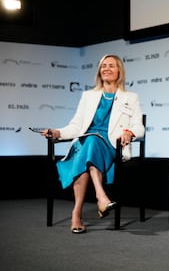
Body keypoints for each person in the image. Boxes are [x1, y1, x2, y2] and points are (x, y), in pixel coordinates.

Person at [41, 54, 145, 234]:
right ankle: (101, 197)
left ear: (119, 71)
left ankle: (77, 213)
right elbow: (76, 126)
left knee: (89, 147)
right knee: (90, 142)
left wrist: (129, 132)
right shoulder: (88, 96)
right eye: (103, 66)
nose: (106, 69)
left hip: (112, 145)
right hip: (87, 141)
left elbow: (140, 128)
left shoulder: (131, 97)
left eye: (111, 65)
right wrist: (58, 132)